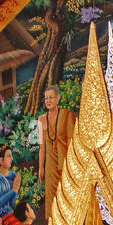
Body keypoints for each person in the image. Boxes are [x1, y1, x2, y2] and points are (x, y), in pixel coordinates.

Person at [36, 86, 75, 217]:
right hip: (51, 164)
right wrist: (41, 167)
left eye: (51, 97)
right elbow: (42, 147)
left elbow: (71, 141)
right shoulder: (41, 119)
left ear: (58, 99)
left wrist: (71, 164)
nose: (48, 101)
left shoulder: (67, 114)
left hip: (65, 161)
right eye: (46, 98)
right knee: (52, 196)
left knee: (67, 193)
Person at [0, 145, 20, 219]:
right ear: (1, 160)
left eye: (11, 156)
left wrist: (16, 191)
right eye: (9, 156)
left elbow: (11, 203)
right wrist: (14, 190)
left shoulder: (13, 175)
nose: (12, 159)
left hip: (9, 214)